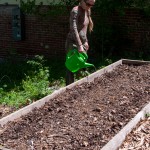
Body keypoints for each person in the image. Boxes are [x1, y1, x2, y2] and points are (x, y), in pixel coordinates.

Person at [65, 0, 95, 85]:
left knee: (81, 67)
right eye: (88, 4)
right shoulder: (75, 11)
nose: (90, 6)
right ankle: (68, 89)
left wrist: (86, 41)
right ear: (82, 1)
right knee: (71, 67)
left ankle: (79, 89)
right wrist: (79, 45)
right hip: (73, 43)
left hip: (82, 44)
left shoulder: (87, 10)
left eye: (92, 5)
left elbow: (84, 28)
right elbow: (73, 28)